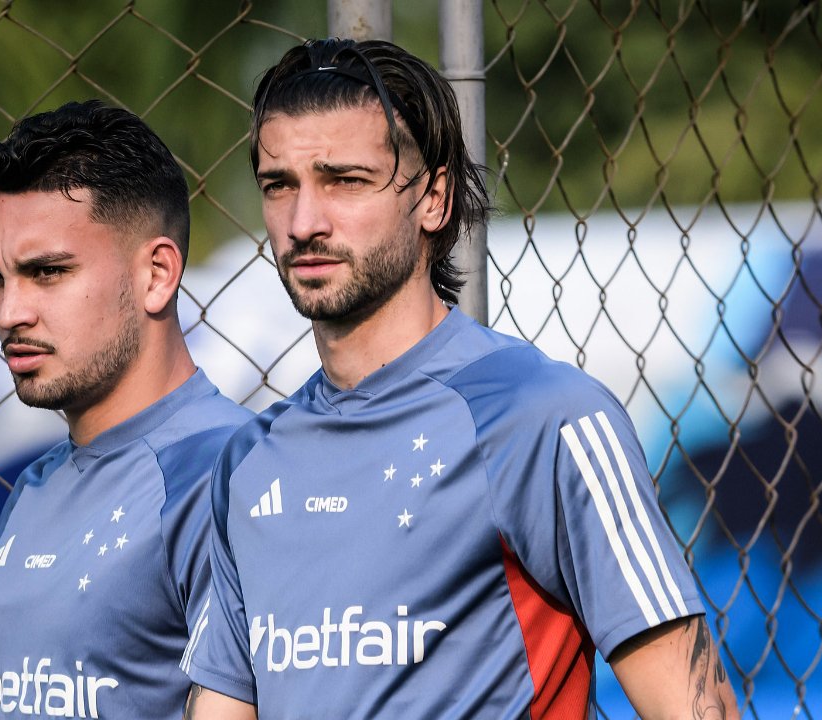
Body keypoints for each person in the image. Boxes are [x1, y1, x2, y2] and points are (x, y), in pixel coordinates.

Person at [180, 39, 741, 719]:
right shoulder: (248, 461)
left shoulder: (547, 415)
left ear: (434, 199)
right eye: (280, 186)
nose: (304, 222)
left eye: (345, 181)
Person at [0, 100, 251, 719]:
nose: (9, 311)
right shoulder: (33, 488)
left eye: (47, 272)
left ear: (156, 274)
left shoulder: (238, 474)